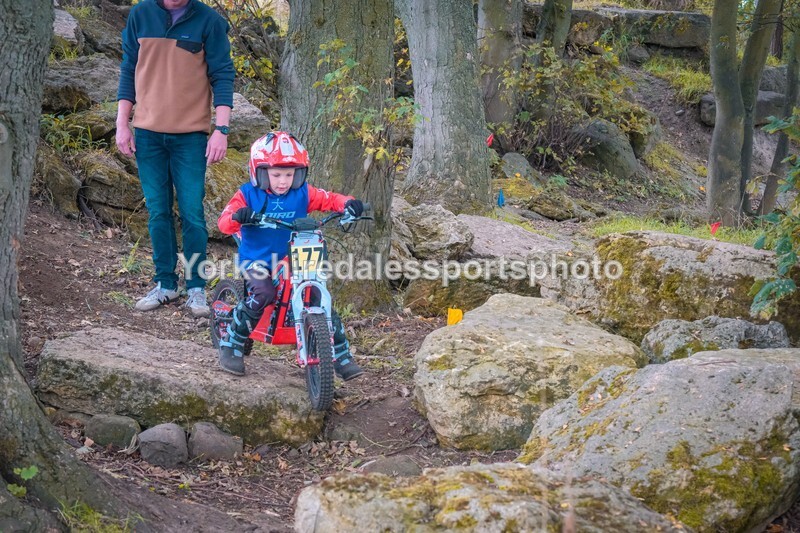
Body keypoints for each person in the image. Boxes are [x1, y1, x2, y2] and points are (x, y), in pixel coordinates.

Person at [115, 0, 235, 318]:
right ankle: (166, 284)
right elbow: (128, 69)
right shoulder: (140, 15)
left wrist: (221, 129)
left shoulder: (209, 21)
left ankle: (196, 287)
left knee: (193, 213)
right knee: (158, 213)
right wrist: (121, 124)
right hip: (147, 135)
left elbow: (223, 76)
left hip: (190, 138)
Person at [216, 131, 365, 379]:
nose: (283, 181)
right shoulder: (247, 194)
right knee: (264, 293)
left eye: (289, 174)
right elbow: (223, 223)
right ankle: (232, 342)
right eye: (276, 175)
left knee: (318, 294)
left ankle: (339, 354)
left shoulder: (303, 193)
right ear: (260, 172)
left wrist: (348, 204)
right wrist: (238, 216)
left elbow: (330, 199)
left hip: (295, 256)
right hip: (258, 259)